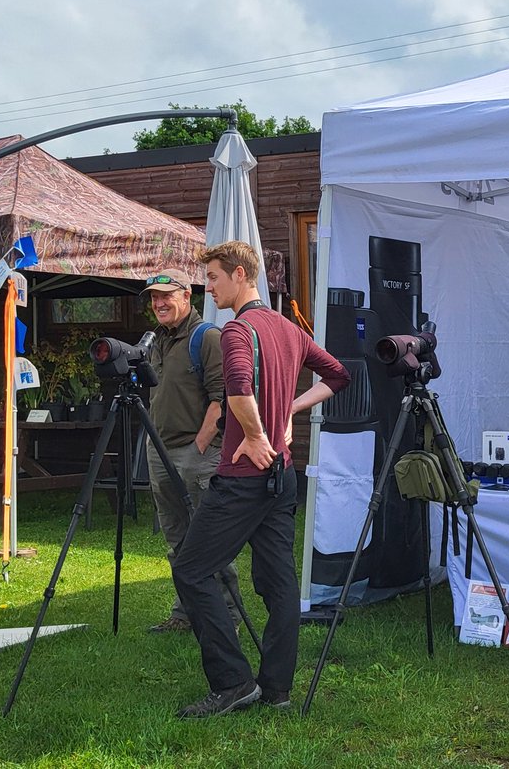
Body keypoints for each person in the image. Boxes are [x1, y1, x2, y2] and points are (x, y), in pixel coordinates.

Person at [172, 240, 349, 717]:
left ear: (239, 274)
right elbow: (337, 375)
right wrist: (290, 409)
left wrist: (253, 432)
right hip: (282, 474)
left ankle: (232, 683)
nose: (207, 287)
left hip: (245, 475)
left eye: (212, 277)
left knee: (190, 569)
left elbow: (238, 388)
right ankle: (277, 690)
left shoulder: (236, 330)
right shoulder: (290, 330)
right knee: (279, 582)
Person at [141, 267, 241, 634]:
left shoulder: (208, 337)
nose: (159, 303)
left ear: (187, 295)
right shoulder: (157, 341)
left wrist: (200, 445)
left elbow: (224, 397)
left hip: (196, 455)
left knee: (210, 540)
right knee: (177, 540)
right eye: (154, 297)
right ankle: (185, 614)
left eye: (166, 296)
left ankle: (228, 617)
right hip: (161, 452)